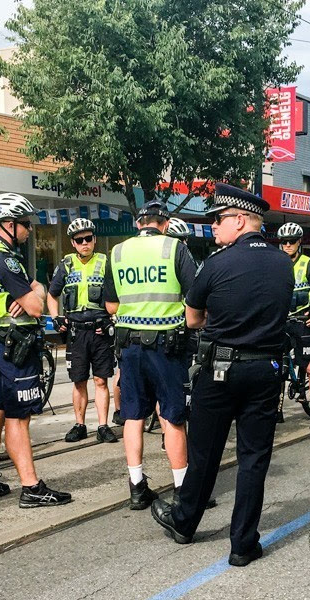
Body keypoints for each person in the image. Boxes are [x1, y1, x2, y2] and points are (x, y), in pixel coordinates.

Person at [151, 183, 293, 567]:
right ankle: (242, 545)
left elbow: (193, 317)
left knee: (205, 452)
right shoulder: (284, 262)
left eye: (218, 219)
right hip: (266, 369)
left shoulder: (216, 264)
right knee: (254, 458)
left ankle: (184, 523)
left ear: (241, 220)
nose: (213, 226)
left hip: (220, 368)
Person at [0, 193, 72, 507]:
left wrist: (35, 290)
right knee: (19, 418)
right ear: (7, 224)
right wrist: (33, 294)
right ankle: (31, 487)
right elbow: (35, 302)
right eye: (25, 223)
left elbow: (38, 286)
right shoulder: (3, 260)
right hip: (14, 347)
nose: (29, 229)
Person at [105, 199, 197, 509]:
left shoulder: (117, 252)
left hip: (129, 346)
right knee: (173, 416)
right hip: (166, 346)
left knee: (132, 415)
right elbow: (195, 297)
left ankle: (136, 486)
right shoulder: (175, 249)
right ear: (166, 224)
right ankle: (183, 489)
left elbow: (111, 306)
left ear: (139, 223)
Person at [48, 218, 118, 445]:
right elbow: (52, 295)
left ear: (95, 239)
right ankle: (79, 424)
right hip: (76, 332)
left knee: (100, 380)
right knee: (78, 381)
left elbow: (118, 296)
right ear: (73, 243)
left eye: (88, 238)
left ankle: (103, 425)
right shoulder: (66, 264)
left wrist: (113, 320)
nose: (85, 243)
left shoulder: (106, 263)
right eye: (80, 240)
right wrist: (55, 317)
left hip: (99, 331)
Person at [277, 222, 310, 431]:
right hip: (280, 321)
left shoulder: (309, 264)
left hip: (302, 321)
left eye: (291, 241)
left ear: (299, 242)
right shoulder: (276, 263)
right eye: (283, 241)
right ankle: (276, 409)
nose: (287, 245)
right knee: (275, 365)